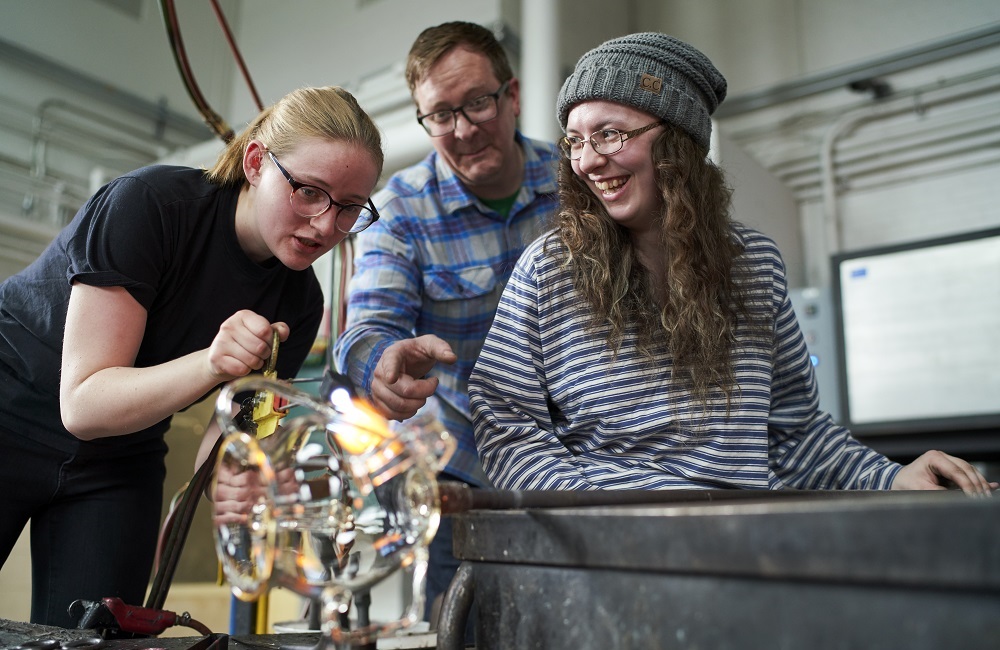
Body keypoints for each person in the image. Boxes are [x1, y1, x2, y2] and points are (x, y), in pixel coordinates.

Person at [468, 32, 997, 497]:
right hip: (606, 549)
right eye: (576, 141)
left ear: (677, 143)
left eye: (610, 134)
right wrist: (605, 514)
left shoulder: (754, 265)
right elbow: (507, 427)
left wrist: (890, 477)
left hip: (740, 544)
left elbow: (793, 434)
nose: (586, 161)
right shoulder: (550, 269)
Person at [0, 85, 385, 627]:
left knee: (97, 636)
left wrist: (237, 475)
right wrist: (211, 362)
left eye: (349, 208)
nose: (325, 225)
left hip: (121, 455)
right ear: (256, 162)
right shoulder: (150, 206)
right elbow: (83, 404)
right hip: (11, 407)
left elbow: (229, 434)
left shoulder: (299, 303)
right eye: (308, 192)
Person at [333, 21, 559, 628]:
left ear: (512, 95)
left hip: (577, 465)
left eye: (478, 102)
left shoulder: (576, 184)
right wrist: (379, 364)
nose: (462, 129)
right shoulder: (399, 211)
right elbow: (366, 331)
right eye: (440, 115)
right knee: (463, 628)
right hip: (464, 474)